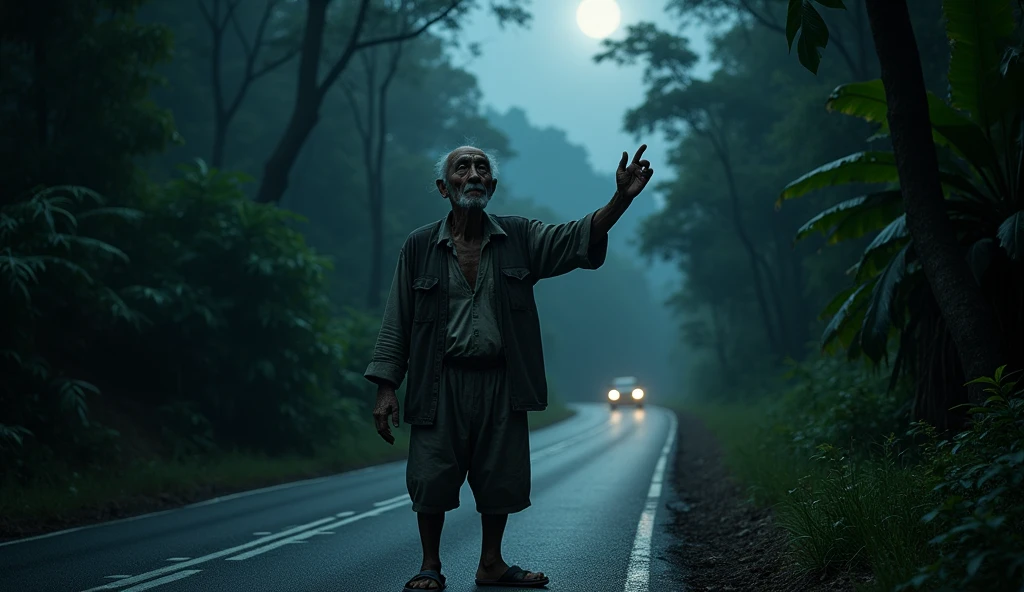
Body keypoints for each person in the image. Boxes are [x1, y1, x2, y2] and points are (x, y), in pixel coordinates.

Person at [365, 144, 654, 591]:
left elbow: (576, 236)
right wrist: (386, 386)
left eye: (482, 168)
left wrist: (622, 199)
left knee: (501, 473)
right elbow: (396, 319)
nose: (474, 173)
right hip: (439, 382)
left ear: (493, 186)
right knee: (431, 473)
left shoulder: (519, 237)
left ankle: (491, 563)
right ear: (445, 187)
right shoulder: (420, 245)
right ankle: (430, 565)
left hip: (502, 379)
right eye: (463, 167)